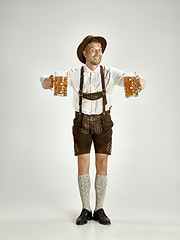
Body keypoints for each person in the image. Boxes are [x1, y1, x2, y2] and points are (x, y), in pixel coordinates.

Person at [40, 35, 146, 225]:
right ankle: (85, 209)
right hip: (81, 123)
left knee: (102, 164)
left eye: (100, 50)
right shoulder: (74, 73)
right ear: (84, 53)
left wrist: (141, 82)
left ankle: (99, 209)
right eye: (94, 50)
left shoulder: (110, 73)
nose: (98, 53)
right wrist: (47, 83)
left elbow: (128, 79)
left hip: (104, 123)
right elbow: (49, 81)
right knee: (83, 165)